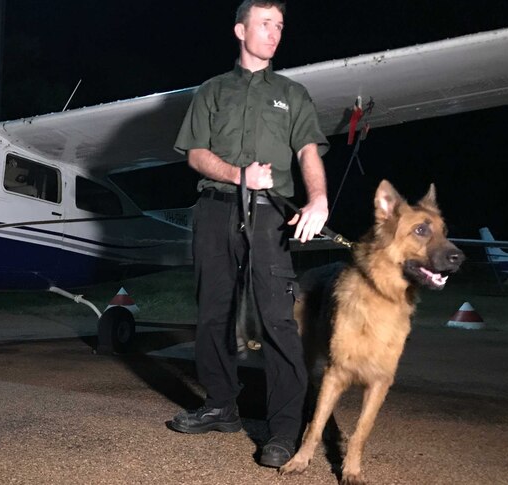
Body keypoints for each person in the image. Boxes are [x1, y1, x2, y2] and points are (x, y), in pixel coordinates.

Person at [169, 0, 329, 468]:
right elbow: (196, 154)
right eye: (265, 23)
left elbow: (307, 152)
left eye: (280, 25)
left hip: (269, 215)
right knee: (213, 313)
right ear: (241, 30)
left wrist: (317, 199)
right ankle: (220, 406)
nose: (274, 32)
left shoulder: (292, 93)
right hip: (216, 210)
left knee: (278, 320)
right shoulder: (212, 91)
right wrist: (241, 174)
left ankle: (282, 431)